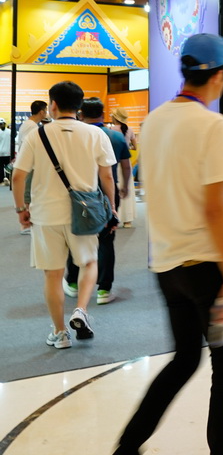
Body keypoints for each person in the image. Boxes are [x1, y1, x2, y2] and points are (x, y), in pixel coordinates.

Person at [100, 34, 223, 455]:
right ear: (217, 75)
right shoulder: (213, 125)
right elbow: (214, 208)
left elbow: (171, 179)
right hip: (209, 268)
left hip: (169, 267)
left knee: (184, 359)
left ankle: (125, 453)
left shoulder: (156, 121)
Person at [11, 82, 117, 350]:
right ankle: (81, 309)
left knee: (53, 274)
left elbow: (18, 176)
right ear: (79, 106)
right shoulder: (96, 134)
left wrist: (21, 210)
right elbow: (107, 176)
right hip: (84, 212)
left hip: (45, 214)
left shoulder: (37, 134)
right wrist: (112, 207)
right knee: (89, 263)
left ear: (53, 105)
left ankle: (60, 333)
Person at [63, 98, 132, 306]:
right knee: (106, 240)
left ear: (81, 113)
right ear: (103, 114)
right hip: (108, 194)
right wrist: (125, 186)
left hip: (80, 195)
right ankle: (104, 289)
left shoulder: (75, 135)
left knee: (76, 235)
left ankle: (73, 282)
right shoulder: (116, 136)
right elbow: (125, 166)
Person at [14, 101, 49, 232]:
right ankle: (26, 225)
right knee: (28, 193)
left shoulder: (30, 125)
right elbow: (29, 147)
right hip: (29, 165)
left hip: (29, 164)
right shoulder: (32, 127)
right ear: (41, 112)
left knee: (29, 192)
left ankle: (27, 223)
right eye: (45, 110)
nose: (46, 113)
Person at [111, 107, 138, 228]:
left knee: (114, 190)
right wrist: (127, 147)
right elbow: (135, 147)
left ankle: (116, 217)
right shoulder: (130, 130)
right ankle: (128, 220)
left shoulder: (111, 130)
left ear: (114, 117)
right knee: (128, 190)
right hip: (126, 163)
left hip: (114, 163)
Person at [0, 120, 10, 185]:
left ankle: (3, 180)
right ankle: (6, 180)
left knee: (4, 168)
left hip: (3, 153)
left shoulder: (9, 131)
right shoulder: (10, 131)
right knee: (7, 168)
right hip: (7, 153)